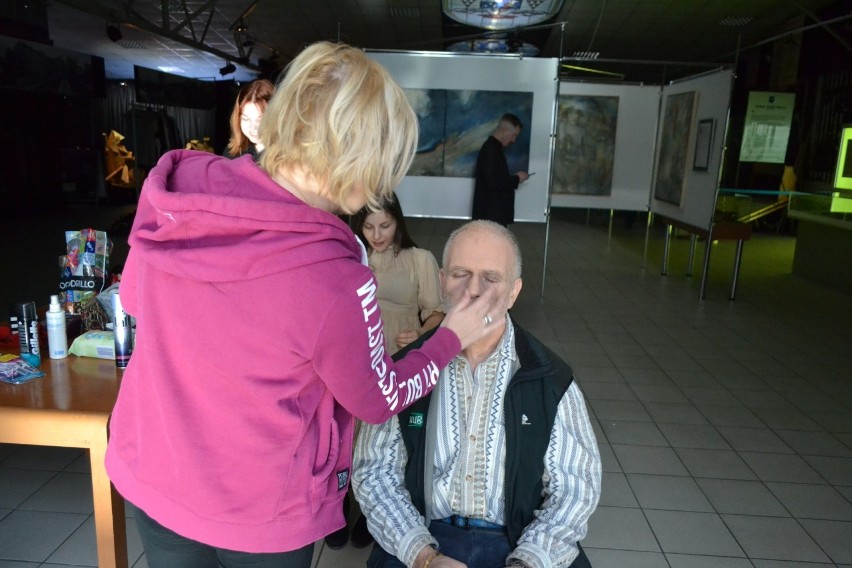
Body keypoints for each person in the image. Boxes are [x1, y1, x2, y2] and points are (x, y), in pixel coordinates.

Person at [104, 42, 503, 568]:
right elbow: (378, 397)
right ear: (361, 161)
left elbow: (134, 302)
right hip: (261, 508)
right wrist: (450, 335)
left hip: (155, 473)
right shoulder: (335, 278)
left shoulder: (177, 199)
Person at [352, 220, 602, 568]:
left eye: (491, 278)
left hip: (518, 538)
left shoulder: (549, 379)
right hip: (426, 533)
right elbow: (374, 472)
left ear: (514, 292)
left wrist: (527, 561)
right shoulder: (405, 370)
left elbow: (575, 489)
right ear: (442, 282)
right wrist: (424, 556)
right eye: (460, 274)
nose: (474, 290)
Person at [325, 195, 444, 550]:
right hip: (353, 357)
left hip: (396, 357)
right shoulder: (349, 257)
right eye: (368, 227)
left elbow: (436, 312)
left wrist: (422, 333)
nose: (377, 235)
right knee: (344, 434)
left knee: (386, 440)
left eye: (385, 226)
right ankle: (339, 504)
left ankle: (370, 513)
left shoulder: (419, 259)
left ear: (399, 223)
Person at [471, 113, 529, 226]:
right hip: (491, 215)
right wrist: (517, 178)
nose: (514, 140)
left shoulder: (493, 148)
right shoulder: (491, 150)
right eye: (513, 135)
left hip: (492, 214)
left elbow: (495, 178)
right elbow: (492, 182)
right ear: (504, 130)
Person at [223, 78, 274, 159]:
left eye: (260, 120)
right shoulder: (232, 153)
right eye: (246, 119)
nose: (253, 128)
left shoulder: (290, 156)